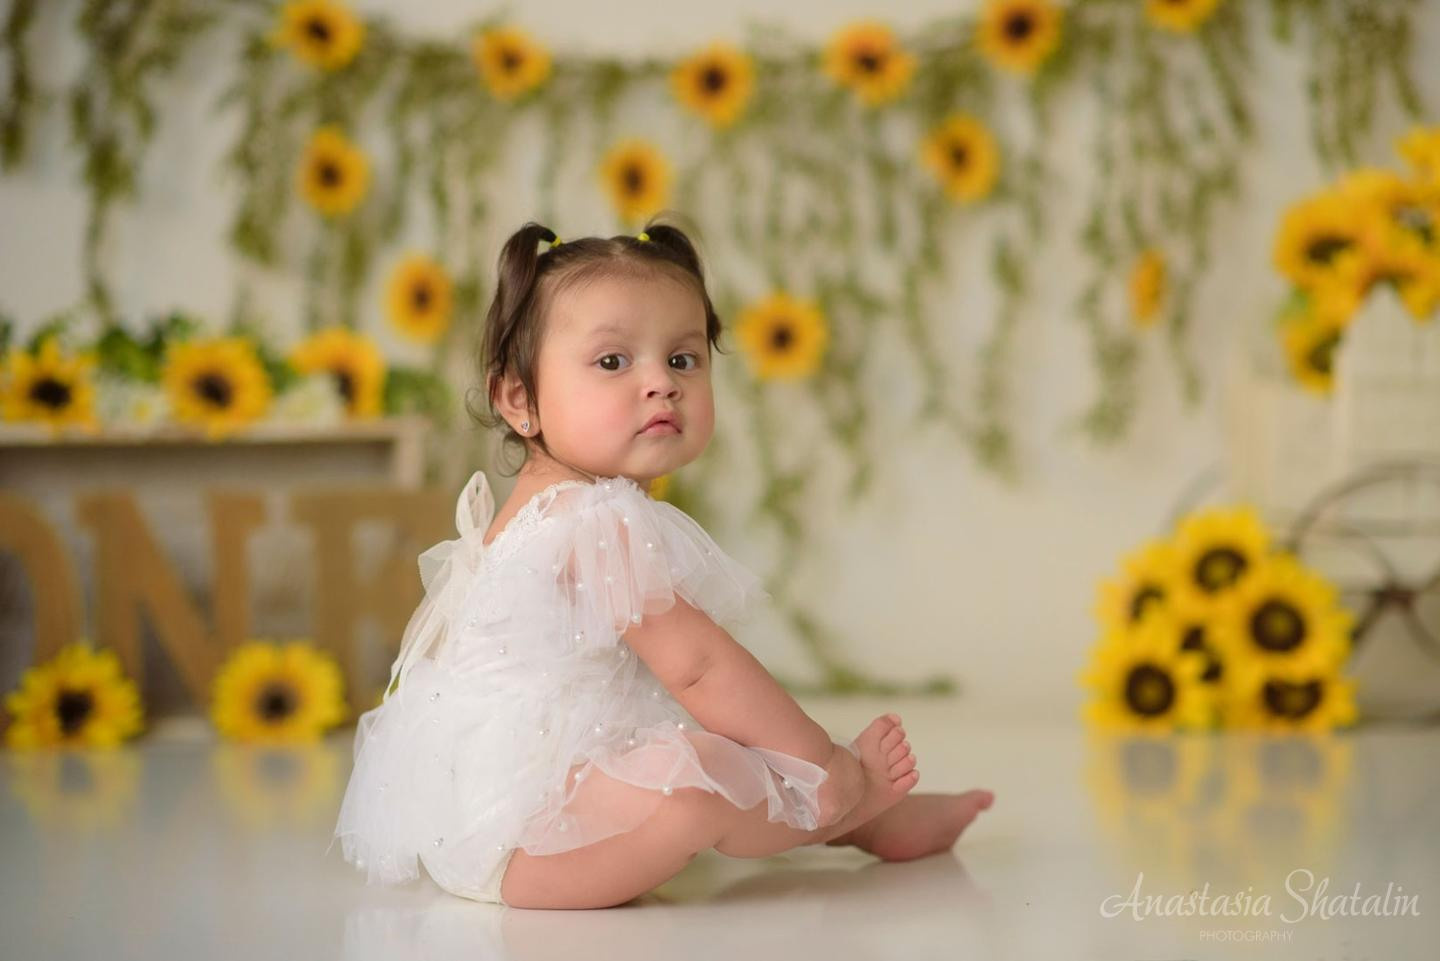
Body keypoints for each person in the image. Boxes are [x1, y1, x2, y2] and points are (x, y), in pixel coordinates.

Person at [332, 215, 994, 909]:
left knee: (729, 741)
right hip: (526, 844)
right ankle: (850, 806)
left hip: (479, 822)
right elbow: (698, 665)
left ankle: (871, 818)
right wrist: (823, 759)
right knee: (702, 772)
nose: (661, 383)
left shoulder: (540, 505)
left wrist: (800, 752)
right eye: (612, 362)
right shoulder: (590, 521)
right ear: (520, 399)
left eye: (682, 359)